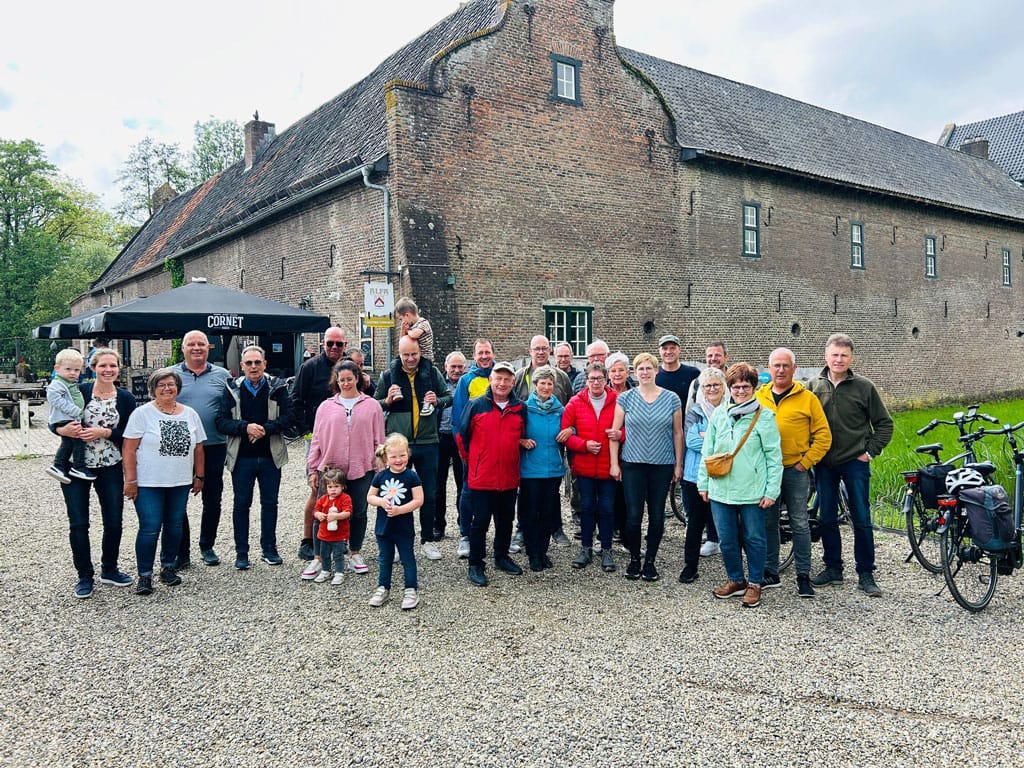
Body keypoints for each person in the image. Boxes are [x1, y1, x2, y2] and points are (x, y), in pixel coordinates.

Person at [808, 333, 893, 597]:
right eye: (834, 355)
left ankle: (865, 572)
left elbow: (884, 424)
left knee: (861, 517)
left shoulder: (864, 387)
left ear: (851, 358)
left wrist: (869, 451)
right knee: (827, 518)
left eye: (844, 355)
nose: (839, 360)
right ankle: (833, 568)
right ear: (826, 356)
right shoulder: (813, 386)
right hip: (824, 462)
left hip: (854, 461)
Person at [698, 362, 782, 609]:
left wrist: (771, 490)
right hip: (721, 488)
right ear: (729, 388)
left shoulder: (765, 417)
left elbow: (773, 457)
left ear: (754, 387)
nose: (741, 391)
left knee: (755, 538)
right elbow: (708, 451)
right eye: (736, 386)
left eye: (746, 386)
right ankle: (735, 579)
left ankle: (755, 583)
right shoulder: (720, 415)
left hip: (753, 491)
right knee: (727, 539)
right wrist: (703, 484)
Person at [55, 347, 137, 599]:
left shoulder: (125, 398)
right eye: (103, 365)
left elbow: (130, 434)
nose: (108, 370)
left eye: (113, 365)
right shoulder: (78, 391)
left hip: (110, 465)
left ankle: (109, 568)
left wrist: (105, 432)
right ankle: (84, 575)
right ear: (93, 368)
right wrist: (61, 431)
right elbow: (55, 421)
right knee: (79, 523)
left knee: (113, 520)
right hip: (76, 464)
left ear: (118, 368)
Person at [122, 368, 206, 596]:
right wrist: (130, 480)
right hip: (149, 482)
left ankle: (168, 567)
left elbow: (198, 448)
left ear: (178, 387)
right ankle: (145, 575)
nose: (167, 388)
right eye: (161, 385)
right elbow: (129, 449)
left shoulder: (189, 413)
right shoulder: (142, 414)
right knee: (149, 528)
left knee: (175, 525)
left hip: (179, 482)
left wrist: (199, 476)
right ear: (153, 389)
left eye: (171, 384)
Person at [755, 348, 832, 598]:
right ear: (769, 368)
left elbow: (823, 435)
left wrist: (806, 462)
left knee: (799, 522)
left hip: (794, 469)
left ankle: (803, 575)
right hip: (767, 470)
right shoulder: (759, 396)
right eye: (776, 365)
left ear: (794, 368)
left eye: (785, 366)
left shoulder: (807, 398)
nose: (780, 370)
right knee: (769, 522)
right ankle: (771, 571)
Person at [304, 360, 385, 580]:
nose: (346, 383)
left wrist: (380, 469)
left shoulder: (372, 405)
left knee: (358, 511)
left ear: (357, 378)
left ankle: (355, 552)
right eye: (342, 380)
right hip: (330, 468)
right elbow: (317, 439)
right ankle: (320, 557)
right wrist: (313, 469)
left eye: (350, 379)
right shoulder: (326, 407)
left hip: (362, 467)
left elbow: (379, 439)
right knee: (323, 511)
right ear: (336, 382)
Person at [216, 345, 293, 570]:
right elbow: (221, 421)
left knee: (270, 503)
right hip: (242, 458)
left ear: (265, 364)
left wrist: (265, 430)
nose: (253, 367)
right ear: (241, 366)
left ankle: (269, 548)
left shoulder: (278, 388)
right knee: (241, 505)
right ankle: (242, 552)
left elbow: (289, 418)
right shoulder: (231, 389)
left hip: (270, 457)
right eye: (248, 363)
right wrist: (245, 427)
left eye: (257, 362)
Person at [374, 335, 451, 560]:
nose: (410, 359)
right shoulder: (388, 376)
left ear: (420, 353)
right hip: (399, 444)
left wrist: (438, 400)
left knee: (428, 492)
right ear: (399, 354)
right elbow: (373, 404)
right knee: (394, 492)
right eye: (406, 355)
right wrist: (387, 402)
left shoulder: (432, 372)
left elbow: (449, 397)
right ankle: (397, 540)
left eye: (414, 354)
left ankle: (427, 539)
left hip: (428, 441)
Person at [609, 352, 683, 582]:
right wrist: (614, 463)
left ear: (656, 370)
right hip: (633, 464)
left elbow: (677, 432)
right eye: (640, 369)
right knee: (633, 515)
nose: (645, 372)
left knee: (657, 515)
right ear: (635, 373)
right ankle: (634, 559)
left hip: (662, 465)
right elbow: (614, 433)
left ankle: (650, 561)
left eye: (648, 368)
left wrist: (678, 464)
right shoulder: (626, 399)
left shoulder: (671, 399)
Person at [457, 361, 527, 586]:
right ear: (491, 380)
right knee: (480, 522)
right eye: (498, 378)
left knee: (506, 520)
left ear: (513, 382)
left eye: (507, 379)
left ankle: (501, 556)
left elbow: (522, 435)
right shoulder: (476, 405)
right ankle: (476, 563)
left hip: (508, 476)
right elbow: (461, 435)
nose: (502, 383)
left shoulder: (520, 408)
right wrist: (473, 460)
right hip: (482, 477)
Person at [176, 330, 232, 568]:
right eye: (191, 344)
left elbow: (233, 408)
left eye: (201, 344)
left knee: (213, 499)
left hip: (214, 445)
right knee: (178, 499)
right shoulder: (171, 375)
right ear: (183, 348)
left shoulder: (223, 375)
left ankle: (207, 545)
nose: (196, 348)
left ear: (209, 347)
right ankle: (182, 551)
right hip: (179, 448)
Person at [292, 327, 348, 562]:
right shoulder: (310, 367)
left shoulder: (348, 368)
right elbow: (295, 400)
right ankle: (308, 539)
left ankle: (336, 537)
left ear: (345, 345)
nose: (334, 348)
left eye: (339, 344)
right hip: (318, 439)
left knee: (340, 490)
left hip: (345, 439)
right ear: (323, 343)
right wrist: (307, 431)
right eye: (330, 344)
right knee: (317, 489)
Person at [562, 362, 618, 570]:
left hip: (608, 466)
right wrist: (583, 445)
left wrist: (621, 437)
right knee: (586, 508)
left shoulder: (617, 401)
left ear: (606, 380)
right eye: (592, 379)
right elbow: (565, 434)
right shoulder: (575, 403)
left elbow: (627, 430)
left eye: (600, 379)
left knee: (606, 508)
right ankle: (585, 548)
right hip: (584, 466)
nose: (596, 382)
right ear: (586, 381)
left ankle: (606, 550)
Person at [678, 367, 728, 584]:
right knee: (695, 523)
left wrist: (706, 436)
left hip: (724, 475)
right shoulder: (695, 412)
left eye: (716, 384)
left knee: (726, 524)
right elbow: (691, 442)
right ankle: (690, 566)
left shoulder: (730, 410)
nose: (712, 389)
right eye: (708, 385)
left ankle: (732, 569)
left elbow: (732, 441)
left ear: (724, 386)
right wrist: (718, 440)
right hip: (695, 474)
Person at [367, 433, 423, 610]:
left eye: (402, 455)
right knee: (384, 558)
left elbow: (418, 500)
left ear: (408, 454)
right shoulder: (380, 476)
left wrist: (400, 510)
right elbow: (370, 497)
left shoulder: (412, 477)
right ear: (386, 457)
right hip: (383, 526)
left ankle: (411, 589)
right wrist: (381, 502)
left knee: (408, 558)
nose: (398, 460)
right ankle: (383, 587)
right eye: (394, 457)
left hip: (404, 526)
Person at [451, 339, 495, 557]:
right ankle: (465, 535)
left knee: (499, 493)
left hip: (497, 448)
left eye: (487, 352)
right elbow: (458, 419)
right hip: (474, 449)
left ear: (493, 354)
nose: (484, 356)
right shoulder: (466, 380)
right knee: (468, 491)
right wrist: (463, 450)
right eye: (480, 353)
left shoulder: (501, 377)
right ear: (474, 356)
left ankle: (497, 536)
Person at [518, 365, 565, 572]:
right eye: (542, 383)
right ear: (534, 385)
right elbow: (513, 433)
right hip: (530, 469)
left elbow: (573, 426)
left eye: (550, 383)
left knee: (548, 512)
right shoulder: (524, 409)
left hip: (553, 469)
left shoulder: (560, 410)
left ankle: (543, 550)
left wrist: (570, 430)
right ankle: (532, 552)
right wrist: (521, 440)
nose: (546, 387)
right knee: (530, 512)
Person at [45, 348, 96, 483]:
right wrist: (75, 411)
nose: (73, 373)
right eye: (68, 369)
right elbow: (55, 399)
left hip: (69, 418)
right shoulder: (57, 384)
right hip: (64, 419)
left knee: (69, 443)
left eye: (76, 370)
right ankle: (77, 466)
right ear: (57, 368)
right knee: (77, 440)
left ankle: (59, 466)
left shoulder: (70, 383)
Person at [435, 351, 466, 541]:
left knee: (463, 484)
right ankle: (438, 525)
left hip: (461, 438)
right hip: (440, 437)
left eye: (460, 367)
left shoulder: (466, 384)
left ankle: (464, 524)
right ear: (446, 367)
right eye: (453, 366)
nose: (456, 370)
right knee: (438, 485)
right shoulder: (438, 383)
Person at [312, 468, 352, 586]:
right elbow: (315, 510)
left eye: (336, 486)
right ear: (325, 488)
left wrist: (336, 516)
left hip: (339, 535)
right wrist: (318, 514)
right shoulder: (323, 499)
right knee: (324, 554)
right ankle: (326, 570)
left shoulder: (345, 498)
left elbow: (348, 513)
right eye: (330, 487)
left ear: (343, 487)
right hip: (324, 534)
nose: (333, 490)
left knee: (338, 555)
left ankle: (339, 572)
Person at [514, 335, 572, 406]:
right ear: (530, 351)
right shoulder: (518, 376)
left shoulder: (562, 377)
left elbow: (570, 406)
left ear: (549, 350)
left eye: (544, 348)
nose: (541, 352)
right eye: (537, 349)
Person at [396, 296, 435, 363]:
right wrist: (403, 330)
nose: (401, 322)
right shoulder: (411, 326)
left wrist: (407, 330)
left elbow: (414, 335)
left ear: (407, 315)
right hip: (414, 357)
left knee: (423, 373)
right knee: (396, 362)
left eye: (401, 319)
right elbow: (402, 342)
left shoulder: (423, 323)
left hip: (425, 358)